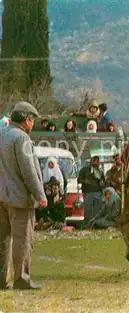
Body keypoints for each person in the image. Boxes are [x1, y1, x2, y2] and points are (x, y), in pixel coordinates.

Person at [0, 101, 47, 290]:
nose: (33, 124)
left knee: (2, 241)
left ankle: (1, 280)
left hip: (2, 196)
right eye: (32, 120)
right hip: (20, 199)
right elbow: (28, 171)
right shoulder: (22, 139)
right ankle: (21, 279)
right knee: (22, 240)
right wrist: (40, 194)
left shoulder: (2, 134)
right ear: (27, 119)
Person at [78, 156, 105, 227]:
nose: (96, 163)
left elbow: (103, 181)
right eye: (94, 161)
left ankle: (97, 225)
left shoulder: (100, 171)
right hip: (88, 192)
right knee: (87, 210)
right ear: (91, 161)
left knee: (98, 210)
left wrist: (102, 183)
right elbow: (78, 180)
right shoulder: (84, 170)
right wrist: (85, 181)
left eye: (97, 161)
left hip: (98, 192)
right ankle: (87, 226)